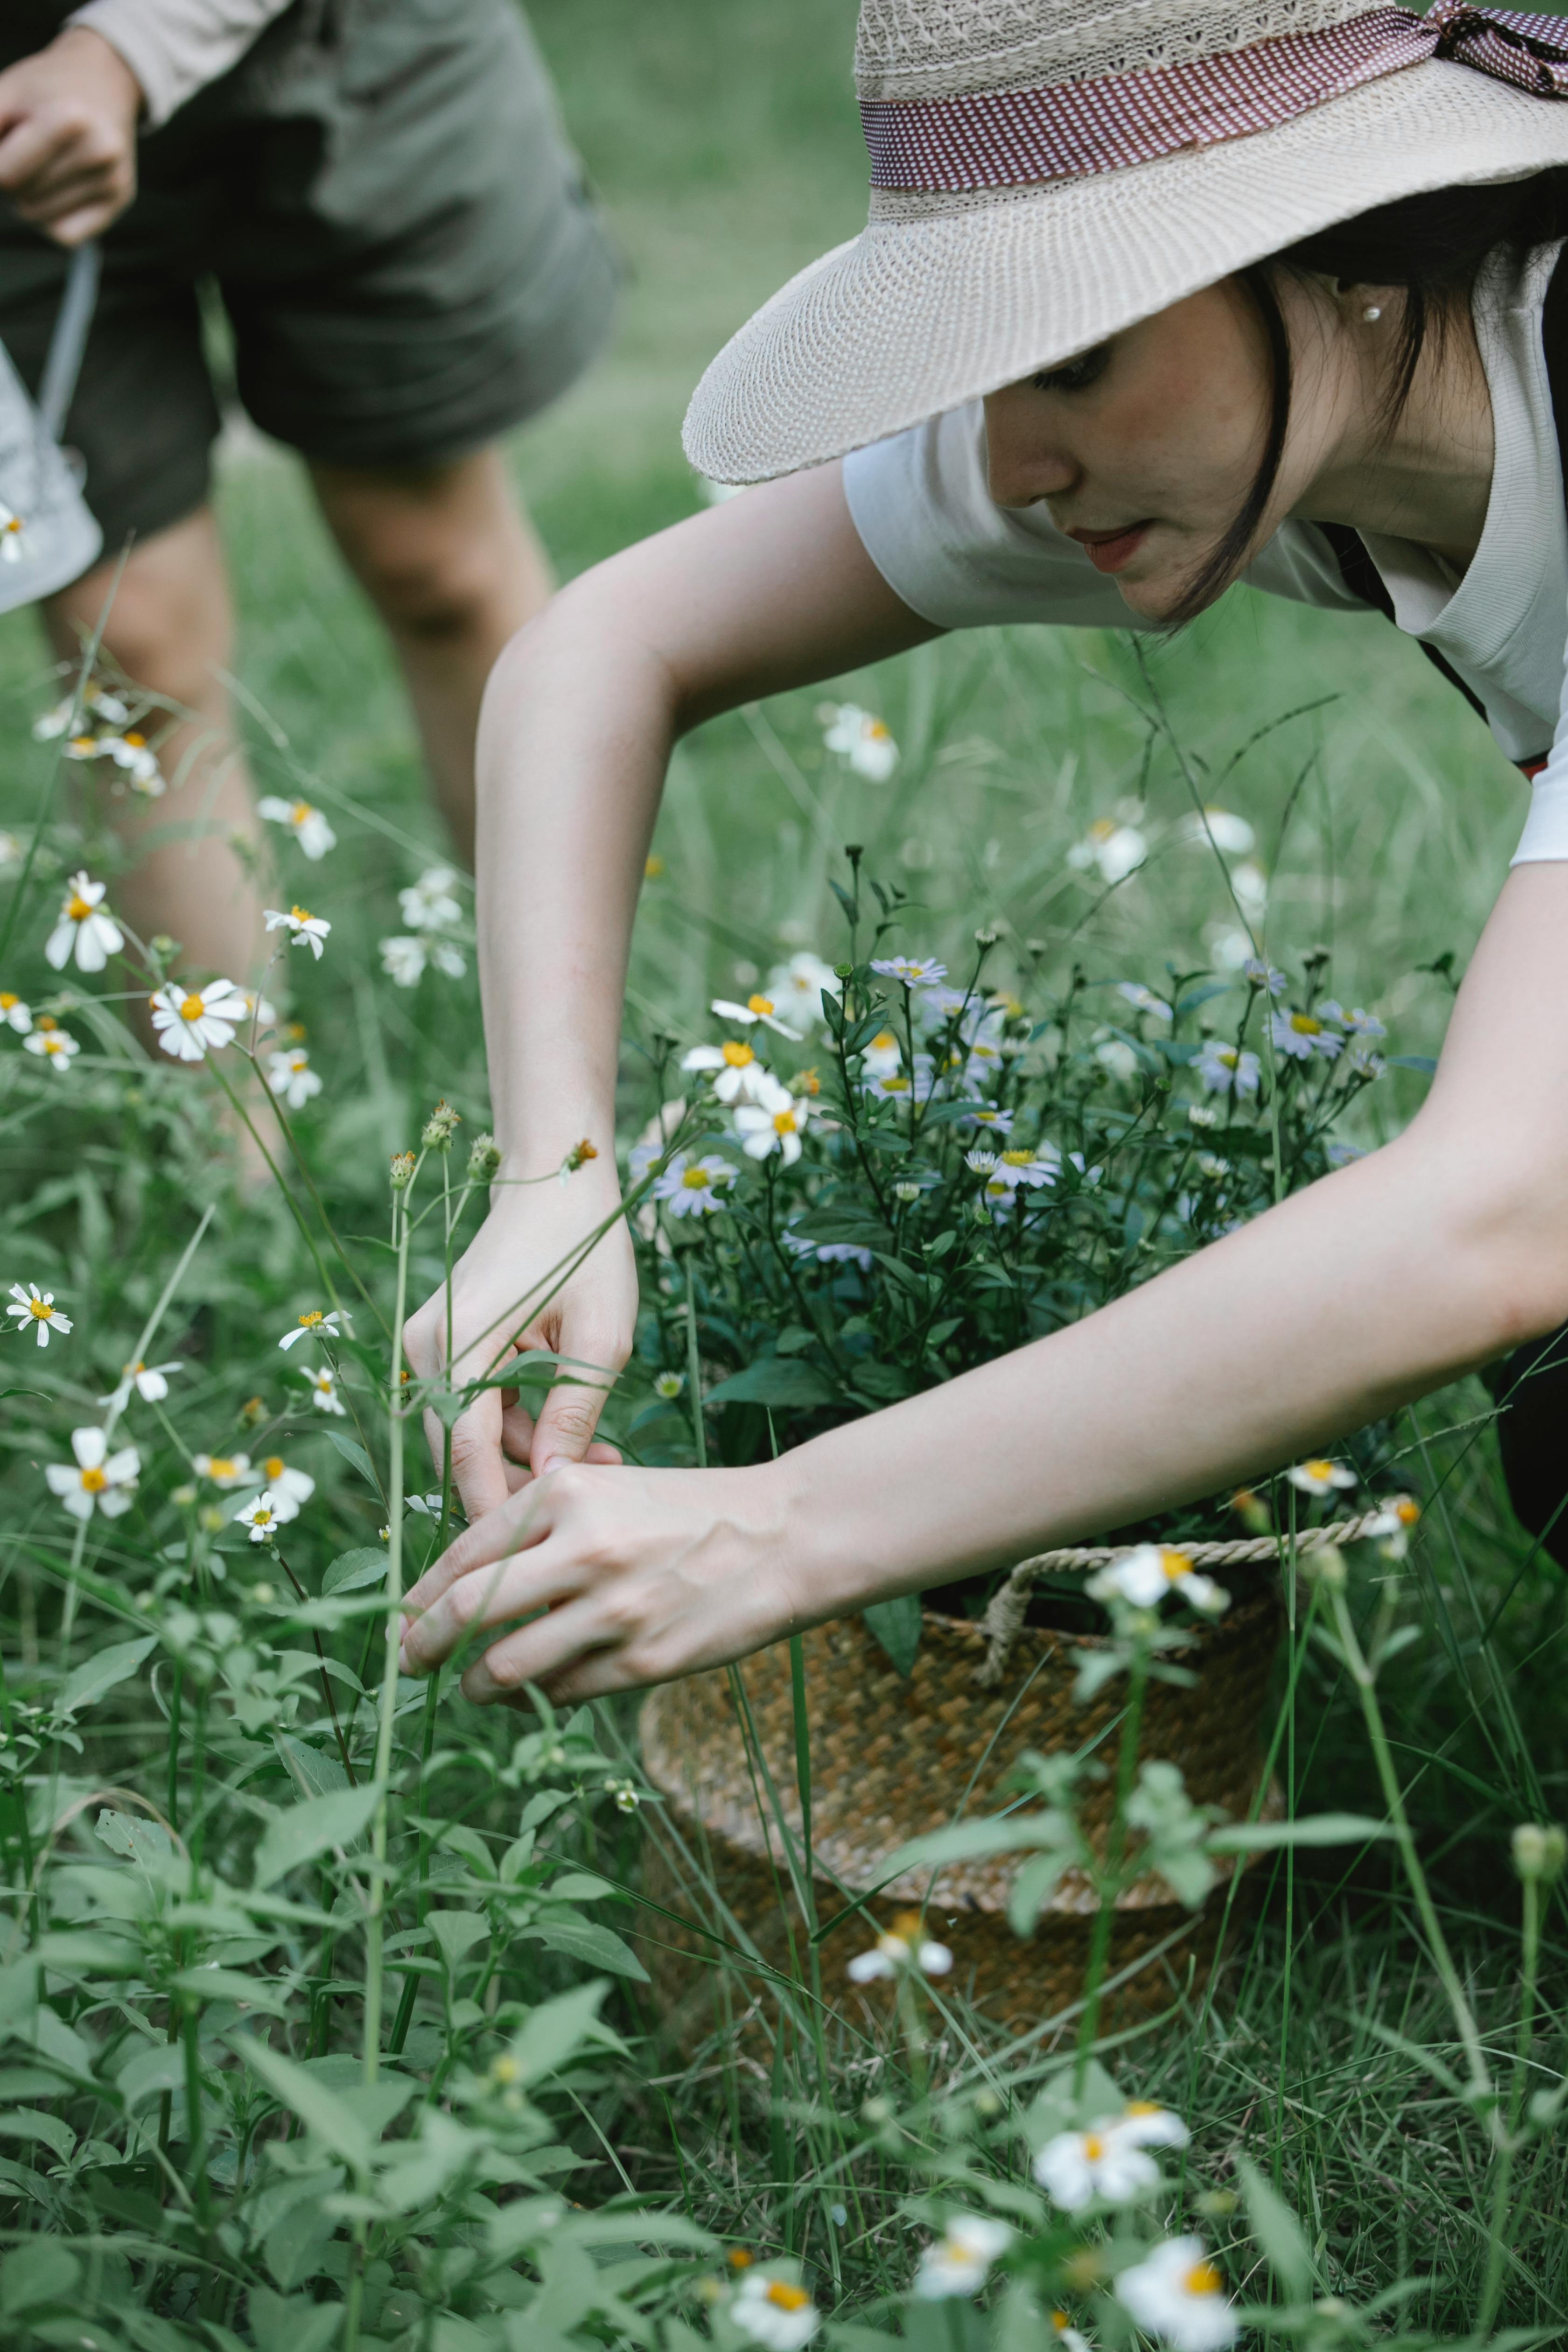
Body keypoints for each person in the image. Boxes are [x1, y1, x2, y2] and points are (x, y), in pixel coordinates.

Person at [397, 0, 1568, 1704]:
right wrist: (549, 1192)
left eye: (1073, 351)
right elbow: (603, 649)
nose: (1015, 463)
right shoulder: (1286, 406)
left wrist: (780, 1528)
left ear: (1336, 253)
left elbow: (1499, 1212)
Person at [0, 0, 614, 994]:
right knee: (129, 654)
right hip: (13, 110)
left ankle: (593, 1088)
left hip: (353, 44)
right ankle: (222, 1137)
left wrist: (124, 49)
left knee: (435, 556)